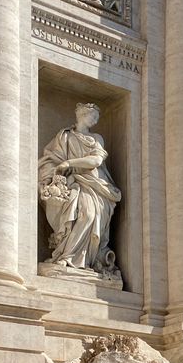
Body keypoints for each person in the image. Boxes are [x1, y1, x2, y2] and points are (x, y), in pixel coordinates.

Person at [38, 102, 122, 277]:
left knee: (90, 215)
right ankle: (66, 256)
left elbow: (96, 162)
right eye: (93, 116)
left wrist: (69, 163)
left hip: (95, 186)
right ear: (82, 115)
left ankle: (82, 260)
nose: (96, 120)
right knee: (80, 215)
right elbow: (51, 159)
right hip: (72, 183)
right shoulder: (64, 137)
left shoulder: (96, 138)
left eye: (97, 117)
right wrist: (55, 171)